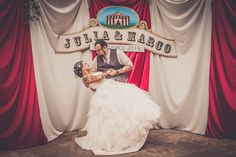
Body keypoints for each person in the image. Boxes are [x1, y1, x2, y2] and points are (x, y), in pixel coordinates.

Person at [74, 61, 161, 155]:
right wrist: (107, 73)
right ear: (82, 68)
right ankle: (113, 141)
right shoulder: (86, 78)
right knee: (111, 118)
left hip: (110, 89)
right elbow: (98, 78)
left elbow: (97, 80)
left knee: (122, 112)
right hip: (105, 94)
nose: (87, 64)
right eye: (85, 64)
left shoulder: (90, 75)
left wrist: (108, 73)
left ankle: (124, 137)